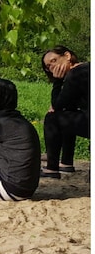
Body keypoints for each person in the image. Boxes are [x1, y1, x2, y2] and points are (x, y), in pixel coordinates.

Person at [41, 45, 89, 179]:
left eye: (54, 61)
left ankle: (52, 169)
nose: (52, 68)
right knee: (68, 113)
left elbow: (57, 105)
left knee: (52, 118)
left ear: (67, 56)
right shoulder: (87, 68)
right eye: (49, 66)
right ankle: (66, 163)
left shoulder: (75, 73)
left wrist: (57, 81)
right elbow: (67, 105)